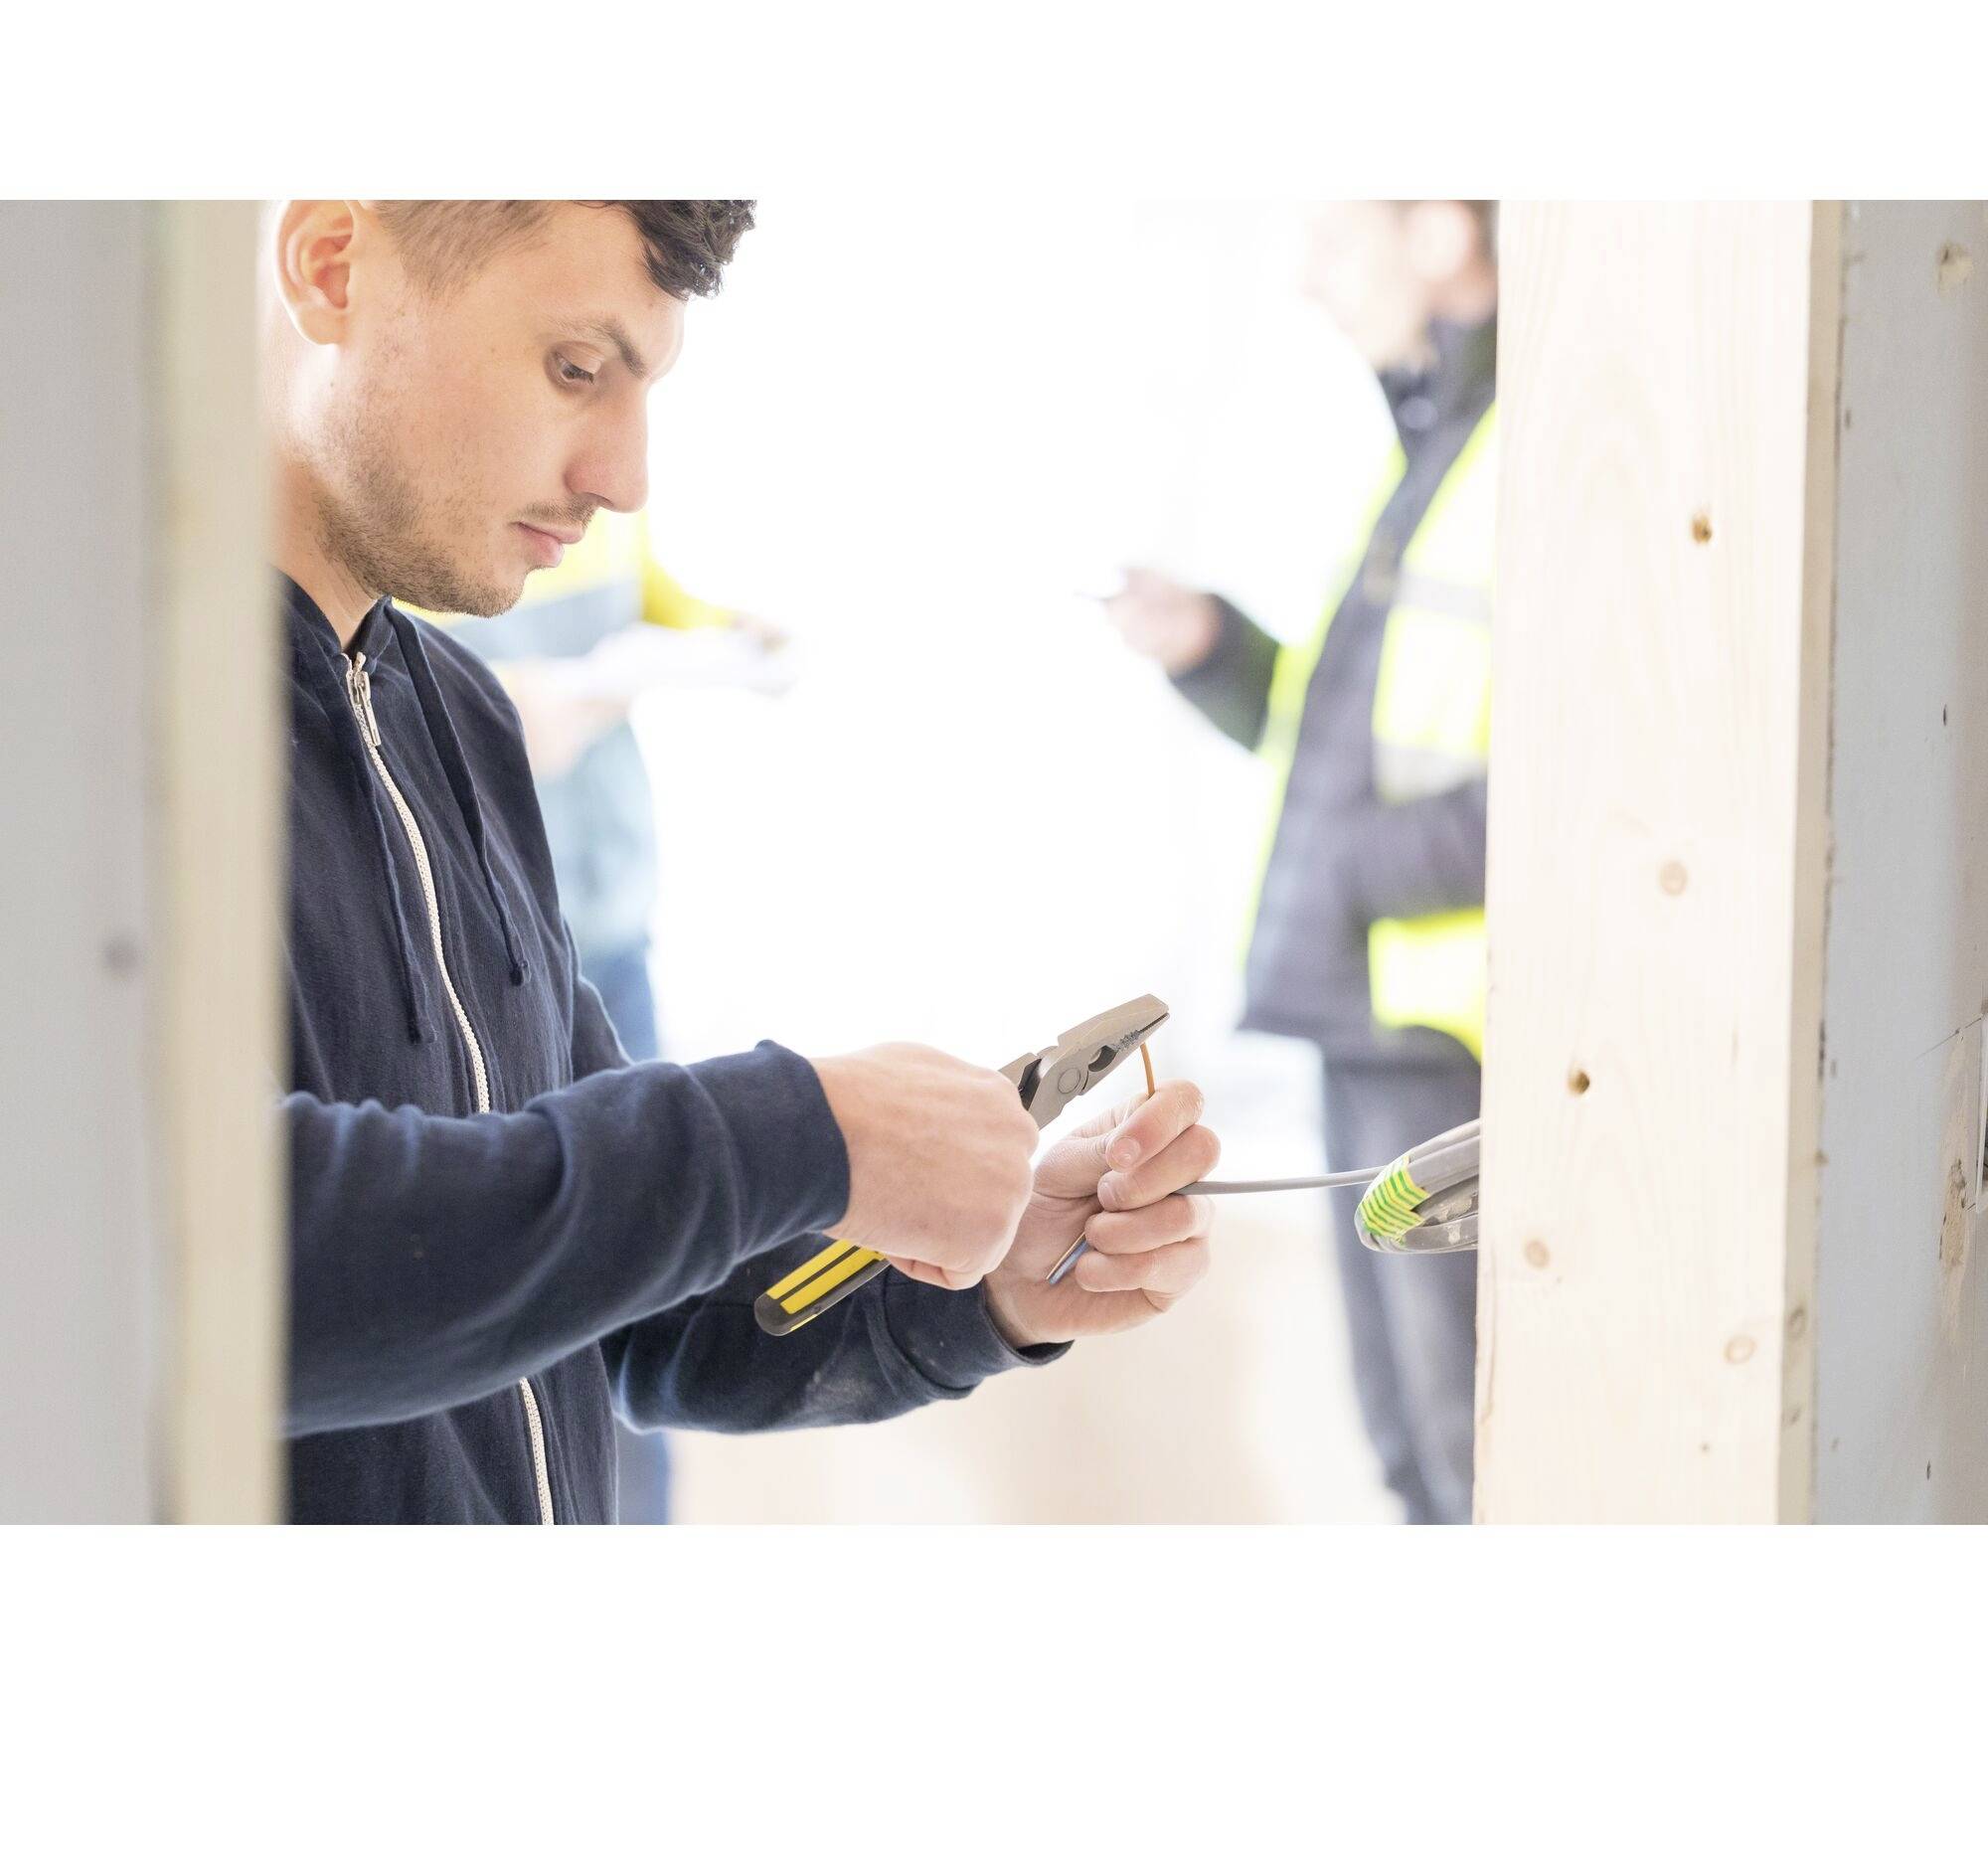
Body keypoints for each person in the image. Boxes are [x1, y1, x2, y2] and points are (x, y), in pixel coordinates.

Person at [267, 198, 1219, 1524]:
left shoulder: (459, 722)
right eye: (574, 368)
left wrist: (984, 1286)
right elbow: (245, 1267)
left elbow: (639, 1314)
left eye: (642, 385)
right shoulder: (92, 743)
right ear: (331, 267)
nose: (623, 477)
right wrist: (797, 1131)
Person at [1106, 200, 1495, 1525]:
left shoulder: (1521, 457)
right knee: (1406, 1447)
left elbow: (1582, 785)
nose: (1313, 280)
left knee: (1470, 1457)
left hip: (1441, 1031)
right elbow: (1354, 747)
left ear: (1440, 231)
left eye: (1338, 237)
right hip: (1367, 1015)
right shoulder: (1428, 454)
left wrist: (1353, 865)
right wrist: (1214, 649)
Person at [437, 520, 792, 1524]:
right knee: (515, 1289)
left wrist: (730, 632)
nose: (619, 470)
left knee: (645, 1279)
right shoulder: (408, 521)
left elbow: (657, 599)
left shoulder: (600, 513)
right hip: (472, 962)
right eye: (584, 366)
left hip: (605, 943)